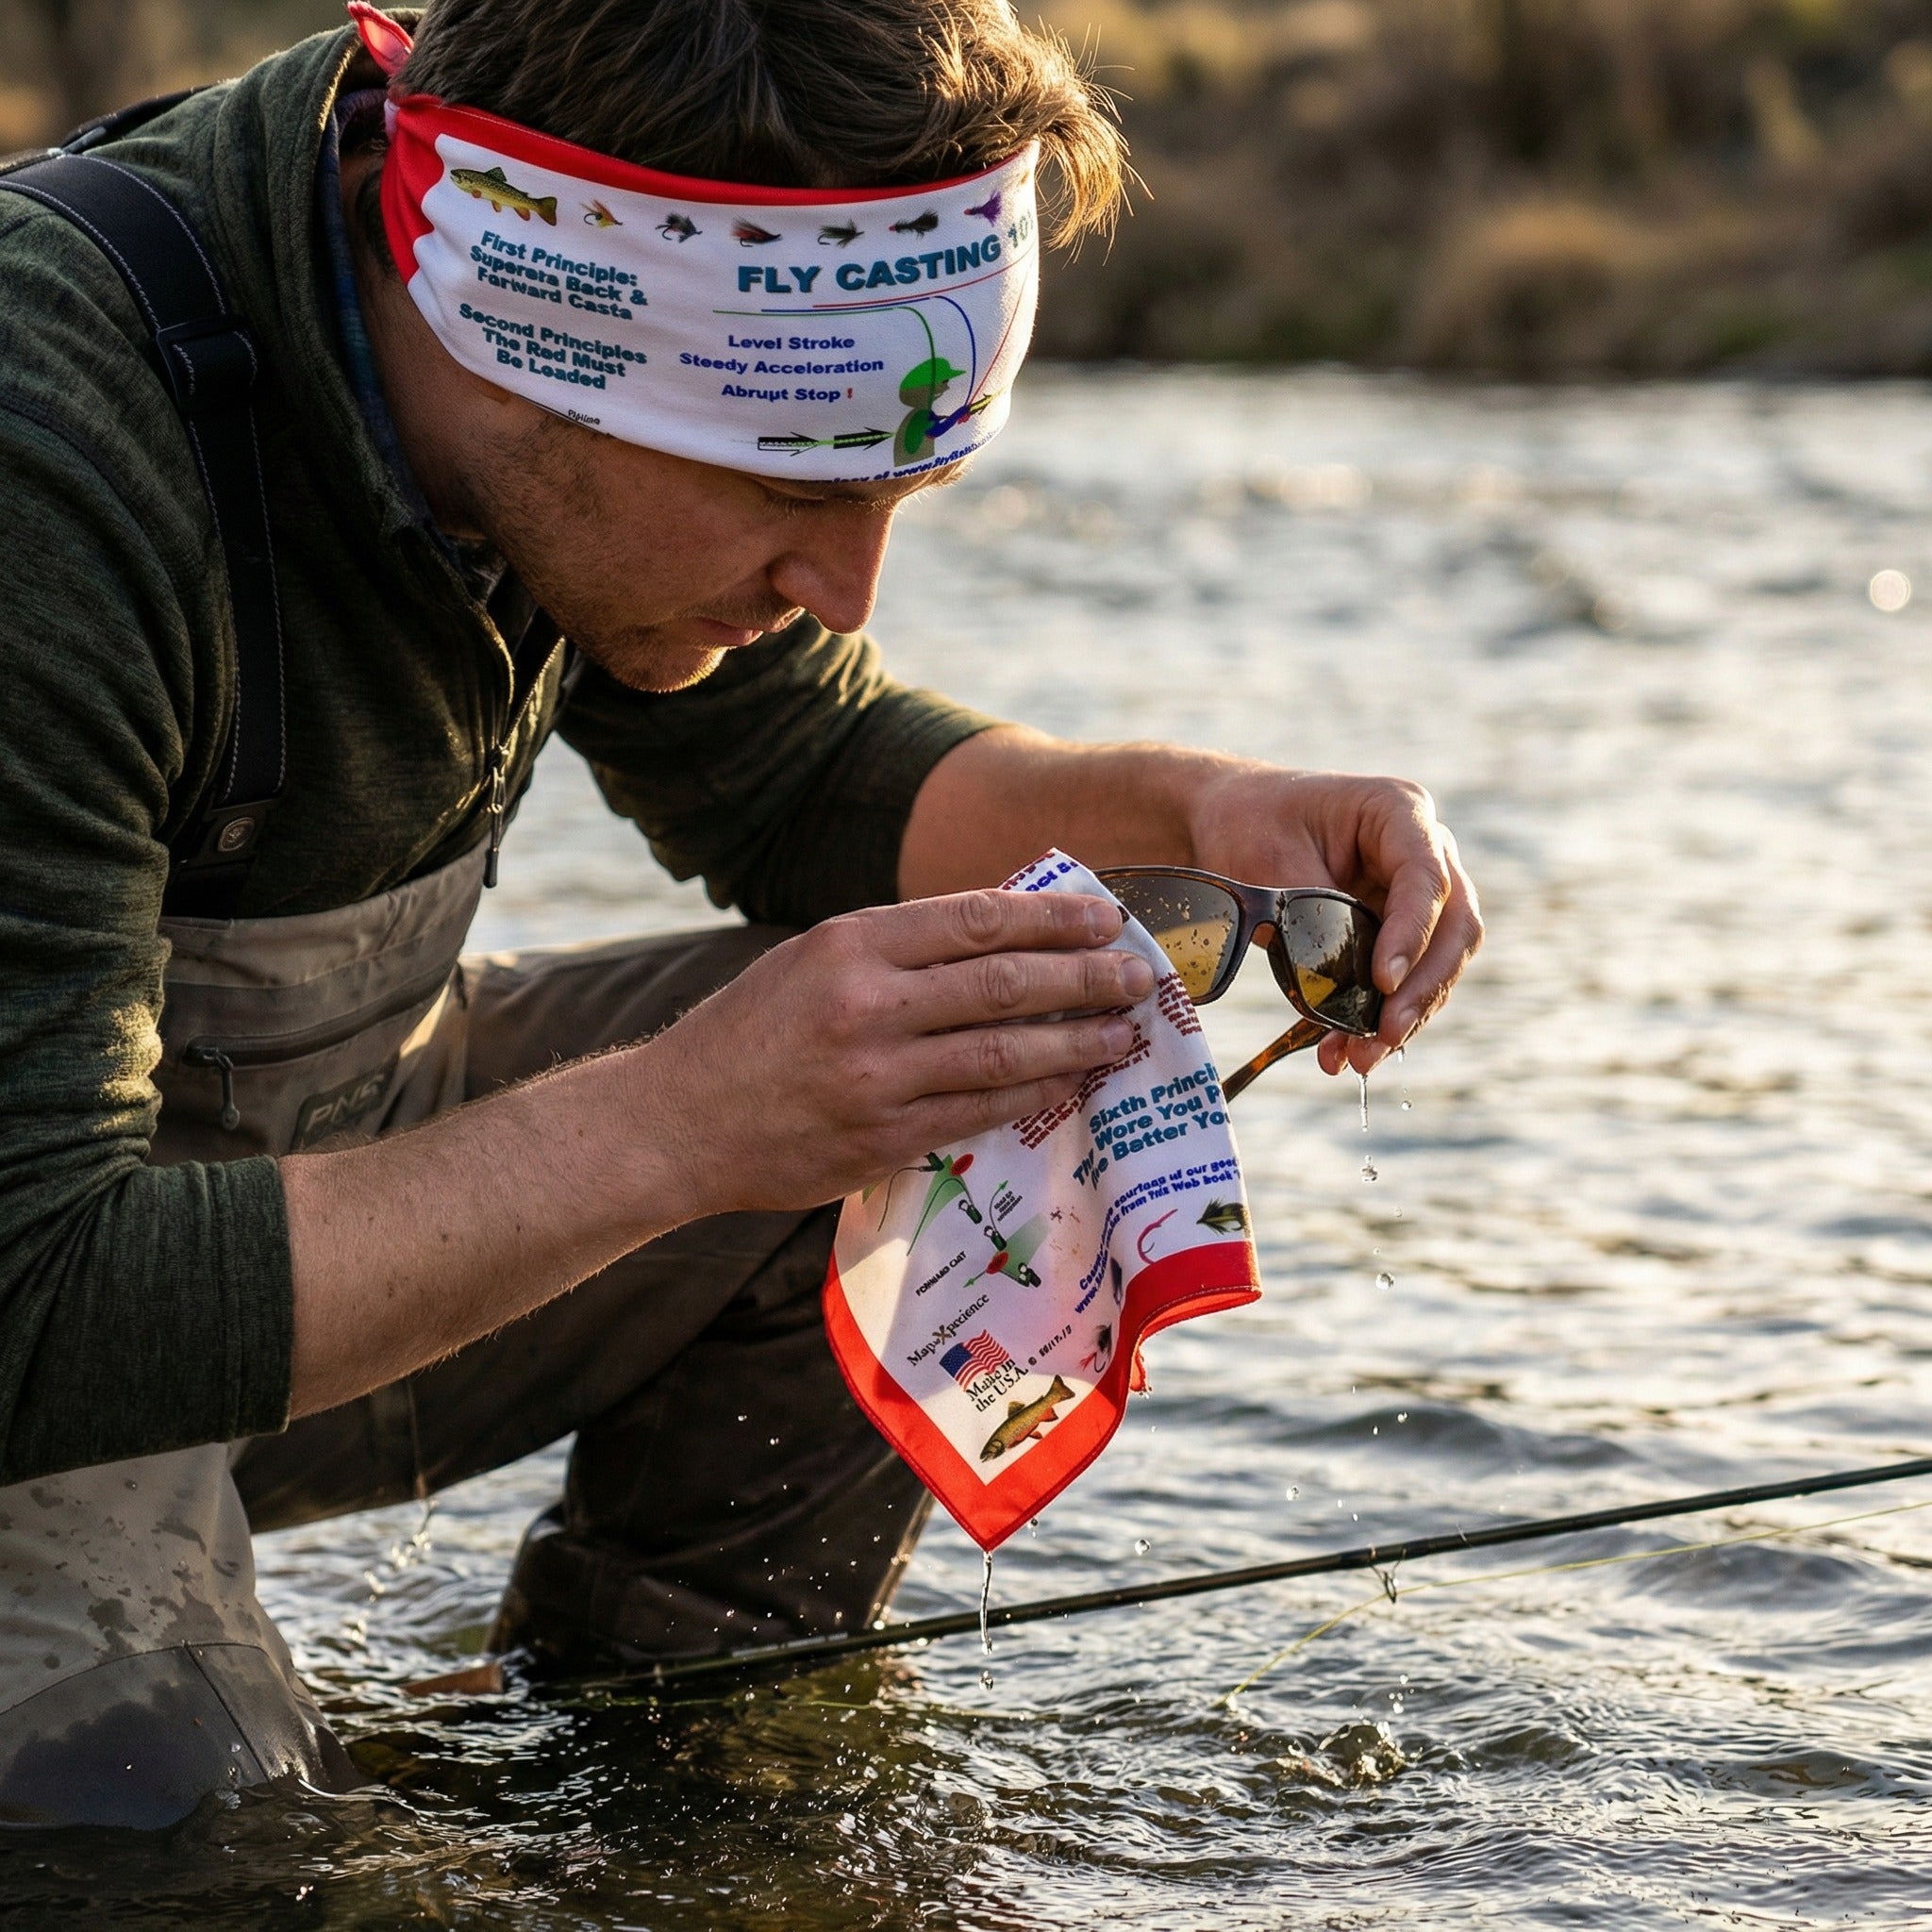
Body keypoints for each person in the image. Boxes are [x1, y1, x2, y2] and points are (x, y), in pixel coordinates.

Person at [0, 0, 1482, 1826]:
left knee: (909, 1077)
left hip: (240, 1211)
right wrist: (691, 1120)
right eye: (792, 488)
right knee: (169, 1816)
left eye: (896, 493)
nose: (846, 590)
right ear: (541, 344)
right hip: (38, 1318)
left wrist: (1197, 812)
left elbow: (802, 774)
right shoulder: (54, 458)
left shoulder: (518, 389)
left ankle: (646, 1790)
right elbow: (33, 1306)